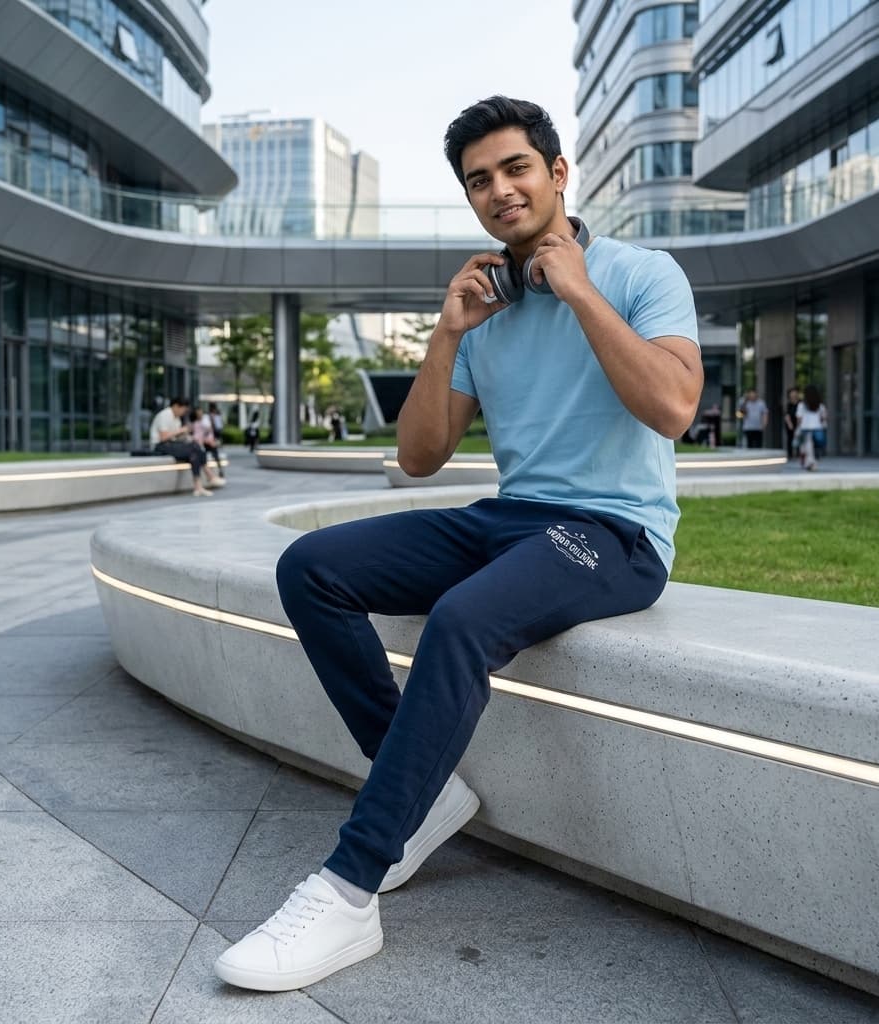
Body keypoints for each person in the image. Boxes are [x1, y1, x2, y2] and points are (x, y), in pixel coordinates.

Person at [212, 96, 703, 993]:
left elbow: (673, 409)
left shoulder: (642, 273)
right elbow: (418, 456)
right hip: (513, 518)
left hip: (615, 534)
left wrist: (582, 291)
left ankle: (350, 889)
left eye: (517, 168)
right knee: (311, 566)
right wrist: (447, 333)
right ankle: (426, 793)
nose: (500, 190)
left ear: (557, 174)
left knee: (463, 616)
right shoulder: (489, 306)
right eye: (479, 180)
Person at [150, 397, 224, 497]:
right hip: (160, 446)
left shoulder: (176, 418)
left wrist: (188, 436)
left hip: (171, 444)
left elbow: (176, 437)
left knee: (195, 451)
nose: (184, 412)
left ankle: (198, 487)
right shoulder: (165, 415)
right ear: (176, 406)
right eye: (183, 409)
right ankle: (209, 476)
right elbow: (163, 437)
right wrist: (181, 431)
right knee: (194, 448)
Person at [796, 384, 828, 470]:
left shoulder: (801, 405)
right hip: (818, 429)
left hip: (805, 428)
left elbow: (799, 419)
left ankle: (808, 462)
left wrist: (797, 428)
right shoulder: (820, 406)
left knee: (806, 447)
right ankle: (813, 462)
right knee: (816, 448)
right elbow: (824, 418)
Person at [191, 404, 224, 479]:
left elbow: (209, 431)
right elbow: (195, 434)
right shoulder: (195, 422)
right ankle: (208, 474)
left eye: (200, 412)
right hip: (199, 443)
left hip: (206, 442)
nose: (200, 414)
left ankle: (219, 470)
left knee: (214, 452)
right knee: (200, 454)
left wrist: (209, 440)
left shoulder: (206, 419)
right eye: (198, 412)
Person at [783, 387, 801, 460]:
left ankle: (799, 453)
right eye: (792, 393)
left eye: (794, 393)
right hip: (790, 424)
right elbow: (786, 415)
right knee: (790, 439)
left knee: (799, 439)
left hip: (799, 423)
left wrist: (798, 425)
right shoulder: (788, 404)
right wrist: (790, 424)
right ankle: (790, 454)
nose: (793, 395)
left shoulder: (800, 403)